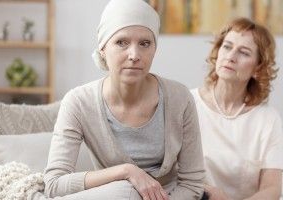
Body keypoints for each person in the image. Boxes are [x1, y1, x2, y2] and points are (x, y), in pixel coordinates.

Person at [43, 0, 205, 199]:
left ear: (155, 48)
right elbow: (54, 184)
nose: (134, 55)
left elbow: (192, 183)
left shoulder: (180, 98)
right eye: (121, 42)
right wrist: (126, 171)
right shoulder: (78, 102)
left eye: (145, 43)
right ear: (103, 48)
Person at [191, 17, 283, 200]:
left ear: (258, 68)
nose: (230, 56)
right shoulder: (187, 103)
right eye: (227, 46)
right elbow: (170, 174)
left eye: (244, 52)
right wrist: (209, 193)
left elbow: (272, 189)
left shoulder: (268, 119)